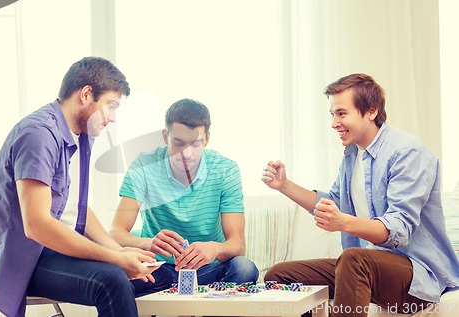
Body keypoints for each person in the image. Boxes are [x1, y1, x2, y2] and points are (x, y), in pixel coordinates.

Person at [0, 57, 171, 317]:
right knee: (113, 280)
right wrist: (114, 258)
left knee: (158, 274)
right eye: (111, 106)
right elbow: (37, 225)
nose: (113, 118)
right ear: (86, 94)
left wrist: (118, 250)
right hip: (29, 259)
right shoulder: (39, 135)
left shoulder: (79, 137)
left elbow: (77, 209)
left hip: (56, 250)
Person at [261, 73, 459, 317]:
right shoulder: (352, 155)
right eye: (332, 114)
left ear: (371, 111)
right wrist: (284, 185)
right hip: (365, 268)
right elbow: (333, 203)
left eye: (341, 114)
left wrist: (343, 222)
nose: (334, 123)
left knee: (354, 260)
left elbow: (399, 230)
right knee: (279, 276)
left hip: (417, 275)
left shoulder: (407, 152)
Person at [110, 98, 259, 287]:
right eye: (178, 143)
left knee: (244, 268)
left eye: (195, 144)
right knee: (115, 276)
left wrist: (215, 248)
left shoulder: (225, 170)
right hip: (158, 268)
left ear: (207, 139)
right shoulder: (144, 166)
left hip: (209, 268)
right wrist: (148, 243)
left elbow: (238, 245)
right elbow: (116, 233)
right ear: (166, 137)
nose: (186, 154)